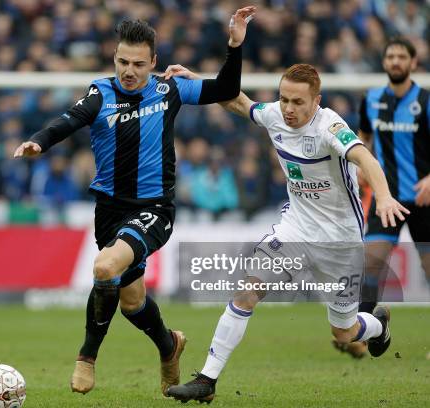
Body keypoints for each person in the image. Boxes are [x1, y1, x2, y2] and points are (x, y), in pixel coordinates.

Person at [13, 6, 256, 396]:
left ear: (154, 62)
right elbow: (68, 121)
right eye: (123, 61)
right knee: (132, 302)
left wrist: (234, 45)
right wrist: (39, 141)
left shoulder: (169, 89)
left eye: (139, 64)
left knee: (105, 266)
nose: (129, 70)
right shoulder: (100, 92)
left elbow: (225, 90)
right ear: (114, 58)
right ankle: (169, 345)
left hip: (154, 209)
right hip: (109, 210)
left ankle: (86, 358)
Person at [162, 63, 409, 403]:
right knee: (247, 291)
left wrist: (382, 196)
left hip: (340, 242)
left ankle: (378, 322)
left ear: (316, 101)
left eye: (298, 102)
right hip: (295, 227)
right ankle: (207, 379)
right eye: (284, 99)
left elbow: (365, 159)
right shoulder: (275, 114)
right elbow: (238, 103)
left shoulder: (330, 126)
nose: (289, 109)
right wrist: (198, 85)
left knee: (344, 333)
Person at [335, 37, 430, 359]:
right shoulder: (372, 99)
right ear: (384, 62)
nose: (395, 61)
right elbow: (364, 137)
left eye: (401, 56)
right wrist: (362, 165)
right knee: (371, 263)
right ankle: (360, 333)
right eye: (390, 56)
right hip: (386, 197)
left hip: (423, 198)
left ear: (413, 63)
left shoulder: (426, 100)